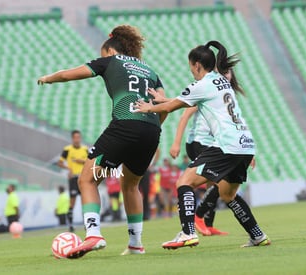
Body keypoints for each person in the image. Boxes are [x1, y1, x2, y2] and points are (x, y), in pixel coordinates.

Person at [37, 25, 166, 258]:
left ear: (109, 50)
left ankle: (94, 234)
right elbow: (163, 104)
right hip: (151, 129)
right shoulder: (150, 70)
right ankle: (136, 243)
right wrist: (150, 129)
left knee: (87, 180)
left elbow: (69, 74)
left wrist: (48, 78)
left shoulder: (110, 62)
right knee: (131, 184)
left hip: (124, 124)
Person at [134, 40, 270, 249]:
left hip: (226, 144)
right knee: (228, 194)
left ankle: (188, 233)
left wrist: (148, 107)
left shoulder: (202, 84)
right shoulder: (220, 81)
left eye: (191, 67)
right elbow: (182, 101)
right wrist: (163, 100)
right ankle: (257, 235)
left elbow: (172, 107)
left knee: (184, 182)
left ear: (197, 64)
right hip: (245, 144)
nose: (191, 71)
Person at [170, 67, 248, 236]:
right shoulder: (207, 89)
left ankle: (207, 224)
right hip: (199, 142)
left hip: (218, 144)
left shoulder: (226, 96)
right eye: (222, 72)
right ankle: (199, 217)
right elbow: (184, 116)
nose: (225, 75)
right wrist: (176, 143)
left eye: (228, 72)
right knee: (219, 182)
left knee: (214, 184)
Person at [57, 130, 88, 232]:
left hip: (83, 178)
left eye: (78, 137)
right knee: (72, 202)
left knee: (85, 201)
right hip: (73, 178)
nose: (77, 139)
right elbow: (60, 162)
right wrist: (68, 169)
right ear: (72, 138)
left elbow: (90, 161)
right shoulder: (67, 149)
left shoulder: (85, 149)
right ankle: (70, 224)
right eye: (75, 137)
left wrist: (82, 161)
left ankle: (87, 223)